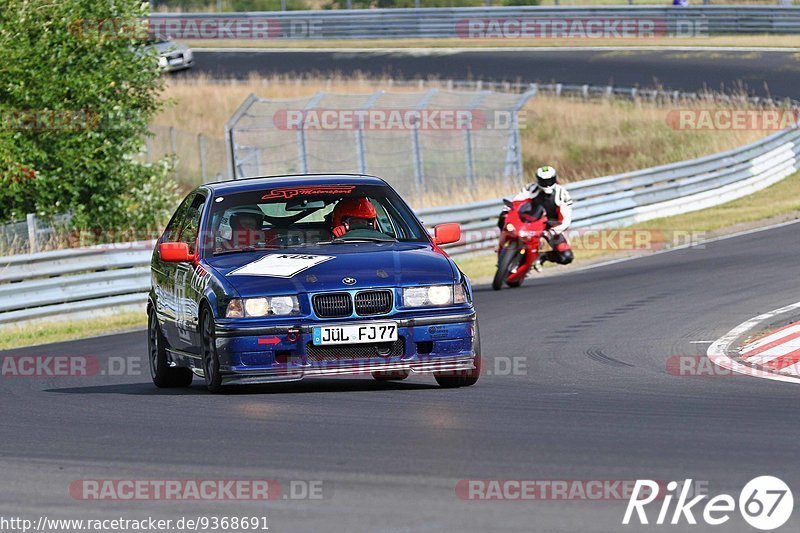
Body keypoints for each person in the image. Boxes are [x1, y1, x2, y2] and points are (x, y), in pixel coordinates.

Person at [500, 165, 574, 271]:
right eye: (544, 181)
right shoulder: (531, 188)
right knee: (503, 218)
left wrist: (553, 231)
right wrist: (508, 209)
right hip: (530, 220)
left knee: (566, 256)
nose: (547, 184)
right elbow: (517, 200)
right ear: (538, 180)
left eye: (549, 180)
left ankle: (543, 257)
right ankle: (501, 244)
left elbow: (566, 219)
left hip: (551, 226)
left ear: (554, 179)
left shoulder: (563, 195)